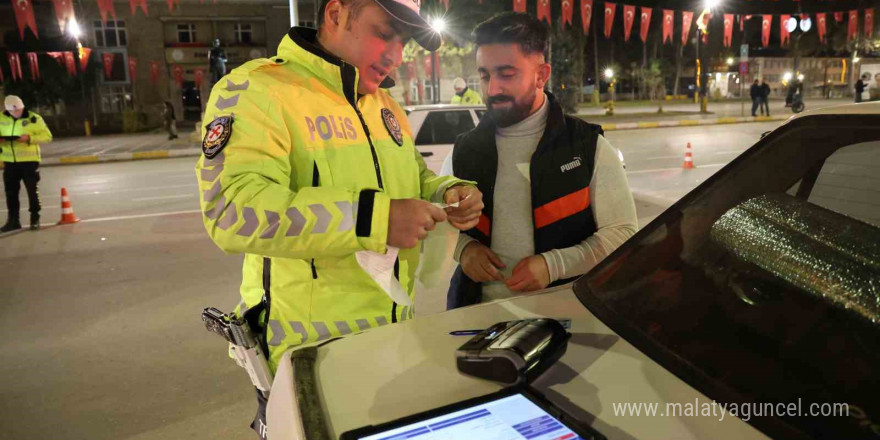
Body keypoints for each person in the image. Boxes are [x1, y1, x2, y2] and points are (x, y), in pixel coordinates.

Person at [194, 0, 483, 436]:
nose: (395, 55)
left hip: (392, 343)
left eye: (402, 41)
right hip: (307, 362)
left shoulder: (384, 106)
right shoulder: (257, 91)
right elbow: (232, 210)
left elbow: (412, 178)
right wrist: (376, 220)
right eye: (384, 32)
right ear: (335, 15)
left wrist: (447, 191)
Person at [441, 12, 637, 308]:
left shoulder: (587, 146)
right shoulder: (463, 151)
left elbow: (622, 234)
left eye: (507, 74)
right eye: (484, 75)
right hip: (475, 316)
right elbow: (439, 224)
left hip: (570, 315)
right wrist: (464, 250)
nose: (493, 89)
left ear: (541, 75)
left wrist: (554, 265)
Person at [1, 95, 52, 232]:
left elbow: (47, 136)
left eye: (18, 110)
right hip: (10, 162)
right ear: (7, 110)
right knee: (10, 193)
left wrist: (30, 138)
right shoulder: (1, 118)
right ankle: (13, 220)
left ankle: (35, 218)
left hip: (29, 162)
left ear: (22, 106)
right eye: (12, 112)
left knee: (32, 191)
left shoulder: (34, 118)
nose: (16, 114)